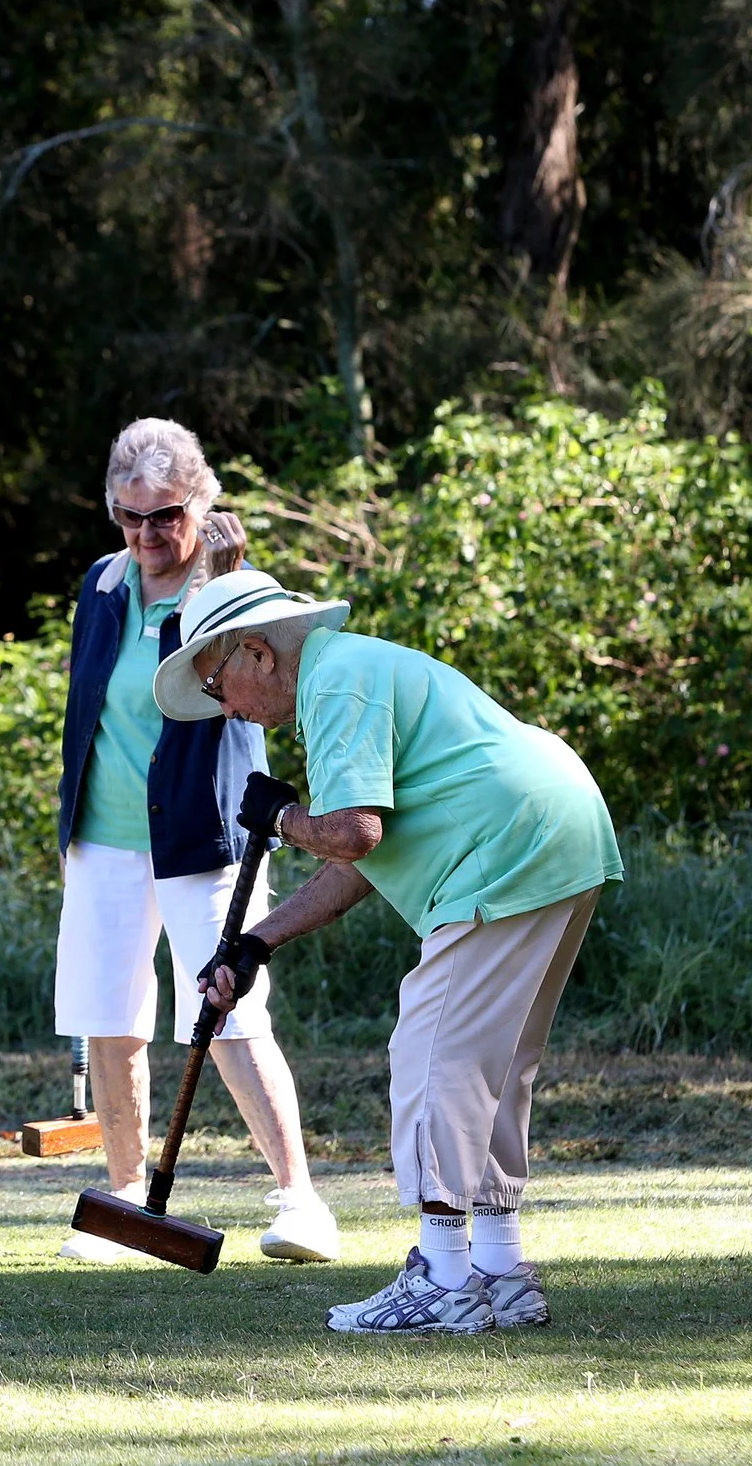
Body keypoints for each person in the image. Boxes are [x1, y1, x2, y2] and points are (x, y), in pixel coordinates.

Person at [158, 568, 623, 1335]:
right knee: (491, 1068)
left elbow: (351, 833)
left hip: (505, 853)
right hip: (561, 832)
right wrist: (256, 942)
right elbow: (359, 863)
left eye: (216, 686)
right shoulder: (354, 669)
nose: (226, 709)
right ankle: (500, 1270)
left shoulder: (334, 684)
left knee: (432, 1055)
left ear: (257, 654)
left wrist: (282, 819)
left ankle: (444, 1279)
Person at [51, 419, 339, 1265]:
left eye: (166, 515)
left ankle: (301, 1203)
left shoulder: (240, 589)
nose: (147, 534)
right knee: (110, 1016)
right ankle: (124, 1201)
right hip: (102, 834)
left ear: (202, 506)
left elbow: (245, 687)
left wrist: (222, 577)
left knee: (230, 1008)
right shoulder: (103, 585)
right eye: (130, 515)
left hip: (201, 829)